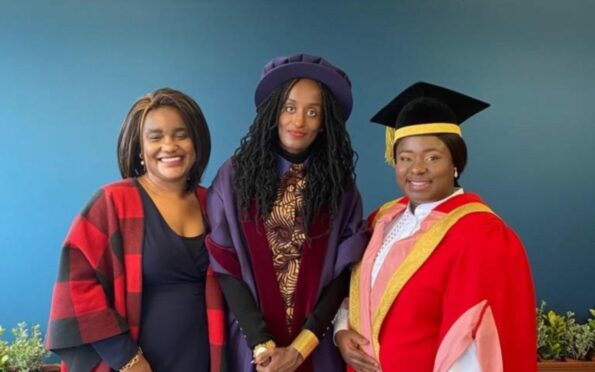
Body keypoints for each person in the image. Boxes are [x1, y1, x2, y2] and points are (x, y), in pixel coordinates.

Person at [335, 82, 536, 372]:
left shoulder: (481, 234)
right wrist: (342, 331)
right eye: (405, 158)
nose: (416, 169)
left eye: (432, 157)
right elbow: (350, 289)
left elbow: (480, 341)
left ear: (456, 162)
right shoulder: (383, 219)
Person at [206, 53, 368, 372]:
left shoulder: (340, 188)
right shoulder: (235, 176)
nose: (299, 121)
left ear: (325, 124)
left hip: (315, 348)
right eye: (290, 107)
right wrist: (261, 342)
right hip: (251, 344)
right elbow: (225, 265)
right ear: (274, 110)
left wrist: (300, 349)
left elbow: (342, 274)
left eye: (313, 112)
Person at [46, 88, 226, 372]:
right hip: (133, 365)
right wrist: (127, 360)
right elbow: (76, 289)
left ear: (197, 143)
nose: (170, 145)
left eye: (181, 134)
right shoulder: (112, 202)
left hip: (205, 360)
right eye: (155, 137)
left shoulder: (215, 203)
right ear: (139, 148)